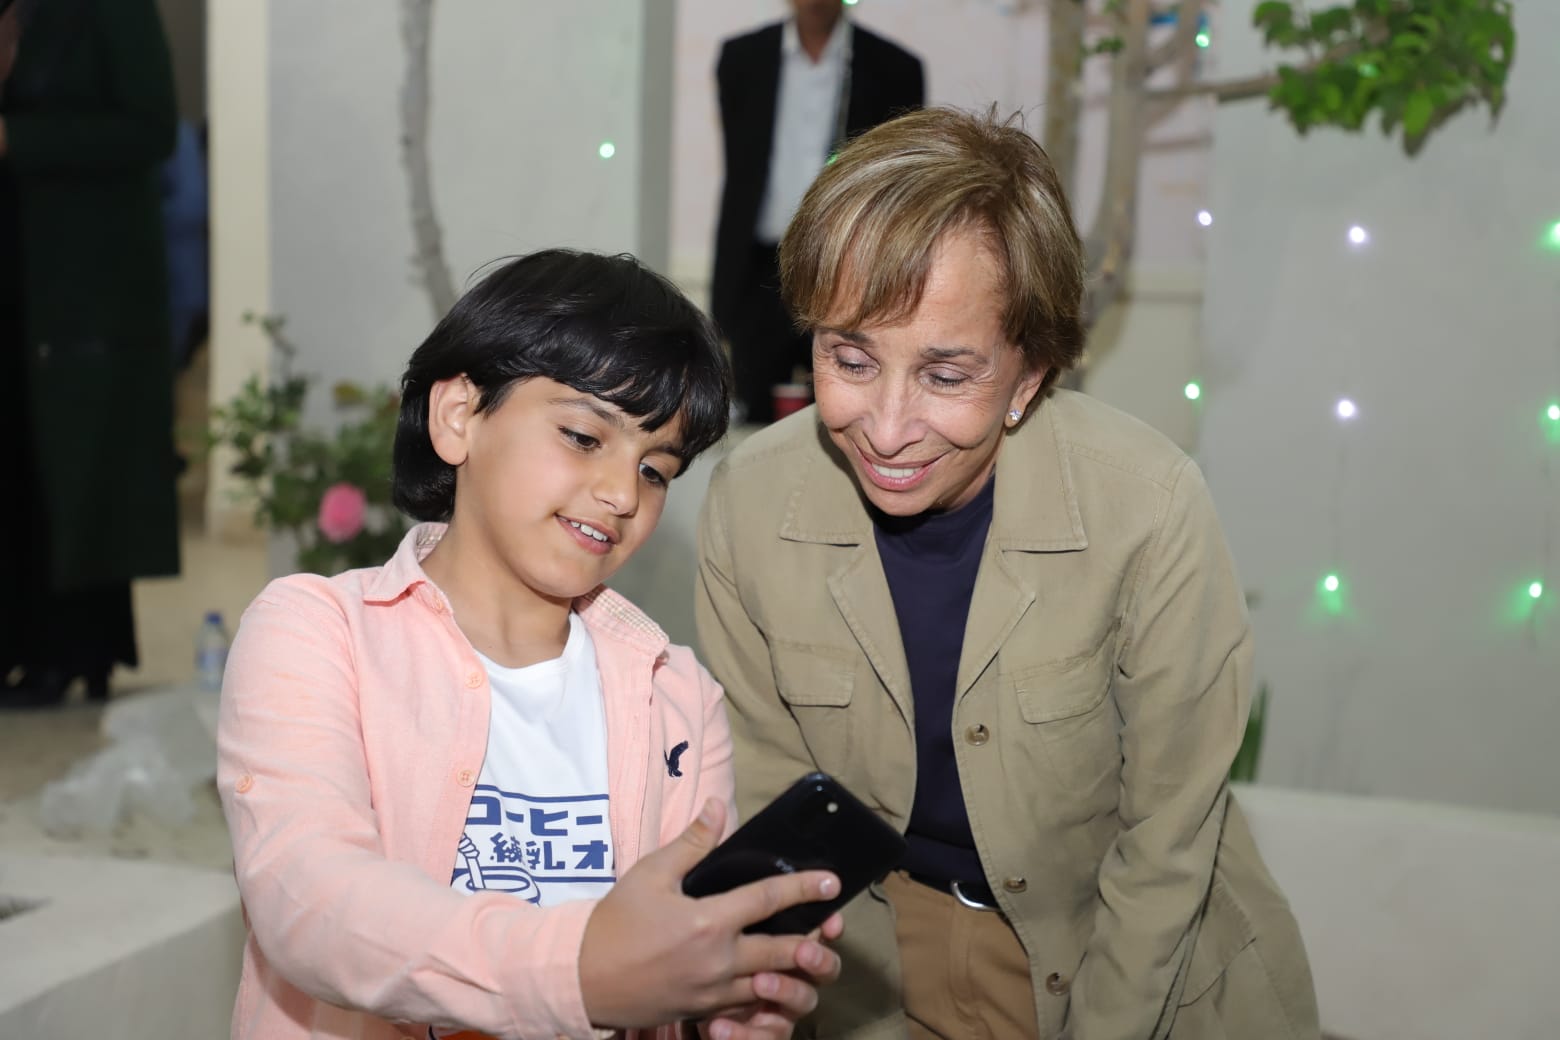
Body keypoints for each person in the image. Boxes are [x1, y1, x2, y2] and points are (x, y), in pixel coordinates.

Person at [695, 109, 1320, 1040]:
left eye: (946, 377)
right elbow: (781, 811)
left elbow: (1164, 849)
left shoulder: (1147, 509)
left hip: (1135, 963)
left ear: (1028, 377)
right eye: (851, 359)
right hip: (876, 959)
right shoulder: (749, 503)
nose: (888, 427)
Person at [218, 251, 844, 1040]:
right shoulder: (315, 633)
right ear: (458, 416)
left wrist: (717, 1002)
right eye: (583, 436)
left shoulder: (675, 697)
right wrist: (581, 971)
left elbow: (679, 963)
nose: (622, 494)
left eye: (656, 470)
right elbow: (310, 900)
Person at [0, 0, 181, 708]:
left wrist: (18, 138)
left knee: (77, 466)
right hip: (16, 272)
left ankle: (73, 652)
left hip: (84, 288)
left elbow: (151, 128)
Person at [711, 0, 922, 424]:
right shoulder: (742, 58)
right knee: (755, 415)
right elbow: (740, 169)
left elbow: (896, 178)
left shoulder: (895, 68)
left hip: (851, 268)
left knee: (849, 408)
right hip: (759, 270)